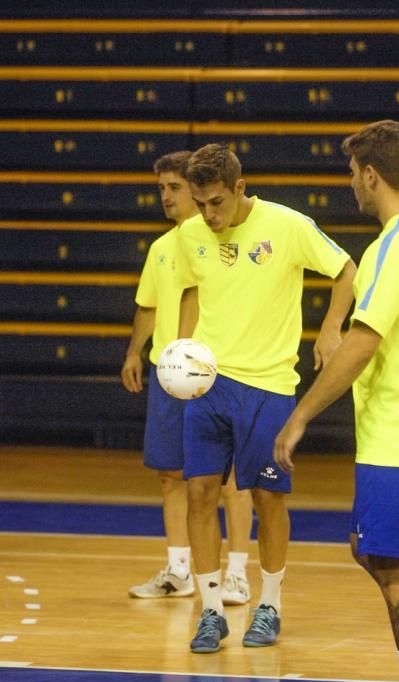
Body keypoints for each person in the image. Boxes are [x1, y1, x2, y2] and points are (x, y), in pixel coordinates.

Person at [274, 120, 399, 682]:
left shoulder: (390, 247)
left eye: (353, 173)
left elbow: (364, 342)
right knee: (372, 551)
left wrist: (300, 415)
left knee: (396, 568)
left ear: (372, 174)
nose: (351, 183)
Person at [175, 143, 357, 653]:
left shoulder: (287, 225)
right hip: (209, 385)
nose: (207, 213)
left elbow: (347, 269)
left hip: (270, 386)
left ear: (239, 188)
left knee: (268, 498)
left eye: (215, 202)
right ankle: (211, 613)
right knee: (198, 496)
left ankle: (269, 604)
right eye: (199, 202)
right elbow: (193, 290)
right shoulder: (192, 234)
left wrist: (330, 329)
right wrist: (182, 351)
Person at [121, 150, 253, 605]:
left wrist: (191, 353)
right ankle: (179, 570)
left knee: (232, 479)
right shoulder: (162, 248)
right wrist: (135, 353)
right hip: (168, 372)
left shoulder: (221, 241)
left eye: (174, 188)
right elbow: (148, 304)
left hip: (216, 374)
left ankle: (237, 573)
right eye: (161, 189)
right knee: (170, 475)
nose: (166, 197)